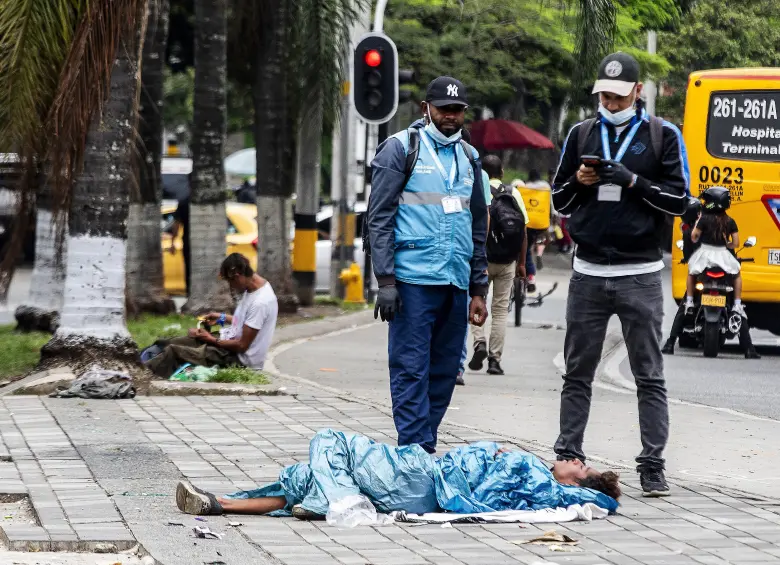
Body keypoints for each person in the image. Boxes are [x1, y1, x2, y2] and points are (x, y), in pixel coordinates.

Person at [552, 52, 689, 497]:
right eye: (603, 96)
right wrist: (579, 182)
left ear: (637, 91)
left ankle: (652, 465)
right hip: (588, 271)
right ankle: (568, 456)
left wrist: (633, 181)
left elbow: (680, 201)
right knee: (577, 372)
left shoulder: (662, 135)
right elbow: (558, 202)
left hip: (641, 272)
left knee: (648, 374)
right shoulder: (581, 133)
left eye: (617, 96)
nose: (610, 104)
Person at [368, 76, 489, 454]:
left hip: (455, 282)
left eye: (457, 110)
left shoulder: (469, 157)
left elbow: (478, 223)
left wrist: (479, 287)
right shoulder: (400, 149)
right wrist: (386, 281)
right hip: (412, 282)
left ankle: (423, 445)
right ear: (426, 108)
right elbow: (378, 218)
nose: (450, 116)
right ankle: (415, 449)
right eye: (443, 109)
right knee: (411, 369)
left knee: (445, 372)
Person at [174, 428, 621, 519]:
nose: (573, 459)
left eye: (581, 466)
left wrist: (500, 455)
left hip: (421, 477)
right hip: (419, 486)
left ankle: (341, 501)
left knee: (331, 440)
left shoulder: (539, 478)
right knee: (305, 475)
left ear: (575, 479)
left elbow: (601, 499)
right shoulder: (539, 478)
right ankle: (219, 504)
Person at [145, 254, 278, 378]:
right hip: (228, 343)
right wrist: (221, 317)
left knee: (173, 351)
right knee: (170, 342)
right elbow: (247, 321)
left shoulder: (260, 302)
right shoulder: (252, 289)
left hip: (239, 359)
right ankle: (142, 362)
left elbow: (242, 345)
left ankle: (142, 376)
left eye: (230, 282)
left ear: (237, 276)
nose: (231, 286)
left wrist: (210, 339)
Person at [467, 155, 528, 376]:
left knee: (477, 300)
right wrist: (522, 262)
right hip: (507, 261)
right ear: (502, 172)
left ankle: (479, 342)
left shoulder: (476, 187)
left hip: (482, 259)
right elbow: (523, 230)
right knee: (500, 310)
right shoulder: (513, 193)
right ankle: (494, 360)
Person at [522, 169, 552, 289]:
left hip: (526, 224)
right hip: (541, 224)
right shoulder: (546, 187)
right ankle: (531, 275)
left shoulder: (524, 187)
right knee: (536, 243)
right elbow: (550, 205)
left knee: (525, 249)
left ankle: (528, 275)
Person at [169, 195, 191, 296]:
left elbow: (176, 224)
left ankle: (189, 292)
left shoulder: (184, 202)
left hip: (188, 242)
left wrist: (172, 242)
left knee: (189, 270)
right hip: (201, 242)